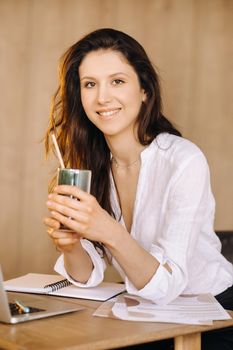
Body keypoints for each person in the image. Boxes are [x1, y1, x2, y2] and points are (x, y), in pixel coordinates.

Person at [44, 28, 233, 349]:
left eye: (117, 81)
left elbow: (167, 286)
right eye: (90, 84)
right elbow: (87, 278)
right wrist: (71, 245)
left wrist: (107, 230)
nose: (103, 97)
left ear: (144, 90)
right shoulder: (91, 163)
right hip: (144, 311)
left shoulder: (183, 160)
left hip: (212, 316)